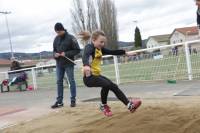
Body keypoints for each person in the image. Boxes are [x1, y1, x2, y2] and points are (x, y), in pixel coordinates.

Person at [81, 31, 142, 117]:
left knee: (113, 86)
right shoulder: (89, 47)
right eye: (101, 42)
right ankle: (103, 106)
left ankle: (129, 105)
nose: (102, 44)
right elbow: (85, 55)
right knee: (106, 84)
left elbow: (113, 52)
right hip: (89, 78)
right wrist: (86, 65)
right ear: (94, 40)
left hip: (96, 76)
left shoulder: (100, 49)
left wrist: (126, 53)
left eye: (103, 42)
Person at [51, 23, 80, 109]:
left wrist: (66, 53)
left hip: (68, 63)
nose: (58, 34)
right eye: (56, 32)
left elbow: (77, 50)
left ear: (62, 29)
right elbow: (54, 51)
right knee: (59, 81)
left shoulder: (71, 38)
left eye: (59, 32)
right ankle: (59, 101)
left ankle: (73, 100)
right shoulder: (56, 39)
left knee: (71, 81)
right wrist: (54, 55)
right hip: (59, 63)